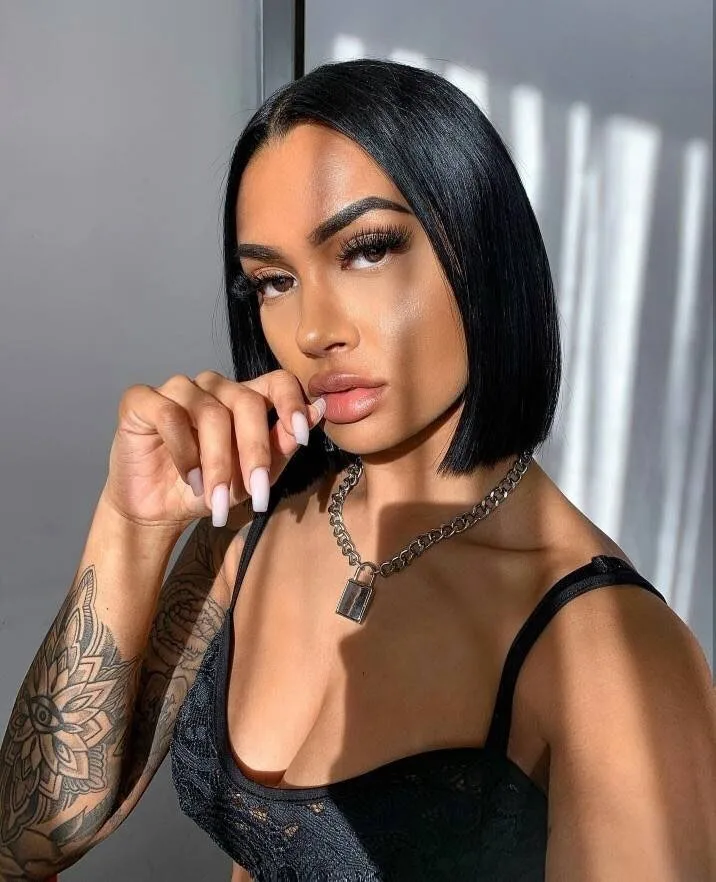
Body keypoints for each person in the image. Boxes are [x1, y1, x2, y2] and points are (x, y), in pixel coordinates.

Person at [1, 58, 714, 882]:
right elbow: (28, 838)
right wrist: (132, 524)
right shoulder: (256, 530)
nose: (312, 331)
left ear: (481, 248)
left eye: (366, 250)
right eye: (274, 281)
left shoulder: (608, 655)